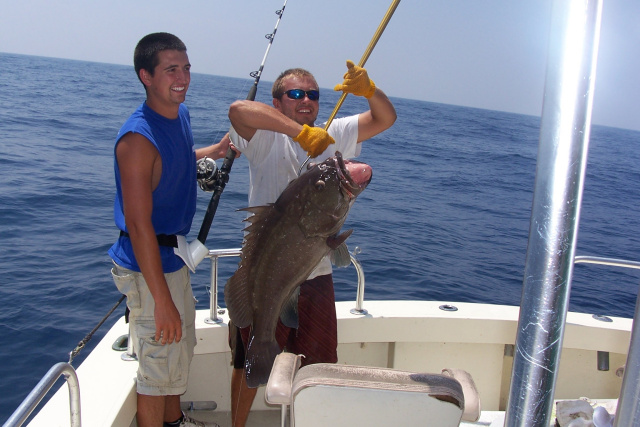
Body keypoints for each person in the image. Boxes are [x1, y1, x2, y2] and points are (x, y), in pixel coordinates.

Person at [226, 60, 397, 426]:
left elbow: (384, 118)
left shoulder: (333, 131)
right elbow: (239, 110)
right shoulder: (263, 138)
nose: (307, 100)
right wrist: (301, 134)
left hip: (316, 273)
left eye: (313, 94)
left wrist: (370, 90)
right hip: (265, 273)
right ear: (277, 102)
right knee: (248, 362)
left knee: (319, 364)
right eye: (296, 93)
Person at [109, 32, 234, 427]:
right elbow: (138, 225)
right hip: (149, 269)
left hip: (173, 258)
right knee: (157, 370)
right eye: (170, 70)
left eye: (186, 68)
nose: (182, 78)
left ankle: (174, 421)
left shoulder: (179, 115)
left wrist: (212, 151)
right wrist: (161, 301)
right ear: (146, 76)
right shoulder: (136, 140)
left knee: (179, 350)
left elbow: (175, 159)